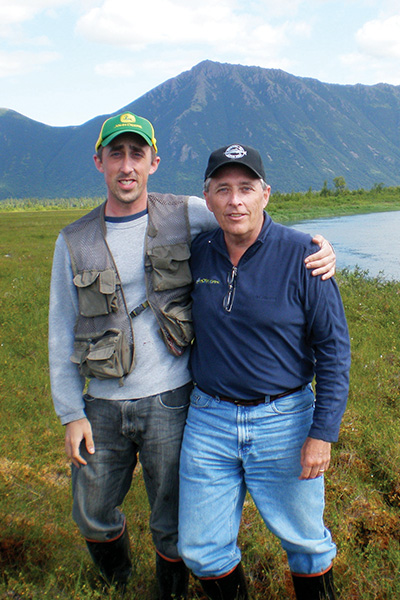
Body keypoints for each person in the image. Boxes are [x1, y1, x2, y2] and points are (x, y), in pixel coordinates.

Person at [48, 114, 336, 599]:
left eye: (136, 154)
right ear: (98, 161)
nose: (126, 166)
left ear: (153, 162)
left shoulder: (184, 213)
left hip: (173, 398)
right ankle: (117, 580)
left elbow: (253, 223)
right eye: (115, 154)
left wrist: (318, 248)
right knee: (93, 510)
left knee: (172, 514)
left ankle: (169, 591)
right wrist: (70, 411)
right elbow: (60, 330)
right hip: (104, 401)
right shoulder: (73, 240)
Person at [178, 144, 351, 600]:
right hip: (209, 418)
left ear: (266, 194)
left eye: (246, 188)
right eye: (223, 189)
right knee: (200, 549)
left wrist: (323, 432)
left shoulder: (305, 255)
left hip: (285, 420)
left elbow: (334, 349)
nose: (235, 200)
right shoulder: (197, 251)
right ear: (208, 198)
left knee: (307, 544)